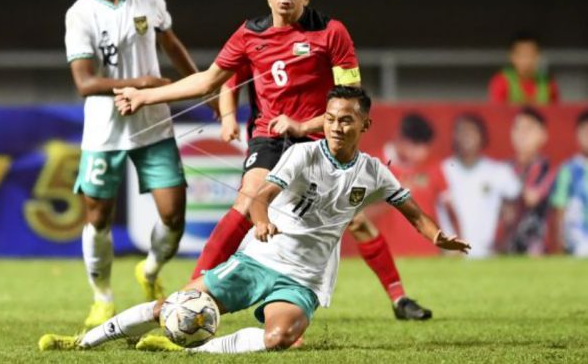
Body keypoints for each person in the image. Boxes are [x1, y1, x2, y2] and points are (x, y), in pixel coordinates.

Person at [116, 0, 432, 319]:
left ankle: (398, 298)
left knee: (356, 220)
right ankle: (191, 297)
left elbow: (352, 101)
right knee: (249, 200)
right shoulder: (250, 34)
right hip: (270, 136)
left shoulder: (332, 33)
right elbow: (209, 81)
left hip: (319, 137)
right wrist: (145, 96)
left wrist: (306, 124)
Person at [39, 87, 470, 354]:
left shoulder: (374, 171)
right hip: (258, 260)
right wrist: (261, 221)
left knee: (279, 338)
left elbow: (413, 212)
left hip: (303, 281)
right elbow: (260, 197)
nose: (337, 126)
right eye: (332, 118)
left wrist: (439, 236)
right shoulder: (302, 153)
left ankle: (190, 353)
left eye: (347, 121)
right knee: (173, 306)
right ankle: (83, 341)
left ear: (365, 124)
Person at [64, 0, 207, 328]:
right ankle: (102, 297)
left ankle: (149, 272)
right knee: (98, 218)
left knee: (174, 215)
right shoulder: (80, 14)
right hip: (104, 132)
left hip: (153, 125)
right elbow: (84, 83)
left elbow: (171, 44)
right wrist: (140, 82)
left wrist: (199, 84)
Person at [441, 114, 522, 258]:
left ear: (482, 136)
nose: (467, 136)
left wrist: (504, 243)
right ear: (454, 136)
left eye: (472, 131)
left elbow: (516, 209)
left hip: (486, 255)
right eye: (462, 131)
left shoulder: (499, 172)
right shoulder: (442, 171)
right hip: (450, 255)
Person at [378, 113, 453, 256]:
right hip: (388, 254)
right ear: (400, 138)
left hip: (429, 255)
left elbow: (448, 208)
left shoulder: (433, 166)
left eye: (425, 147)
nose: (422, 153)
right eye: (417, 146)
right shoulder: (374, 164)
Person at [498, 107, 555, 255]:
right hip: (505, 246)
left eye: (528, 129)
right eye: (517, 128)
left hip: (536, 249)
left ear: (543, 135)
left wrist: (512, 182)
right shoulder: (503, 169)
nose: (522, 134)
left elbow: (532, 198)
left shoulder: (549, 170)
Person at [550, 109, 588, 256]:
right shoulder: (568, 170)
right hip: (578, 242)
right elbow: (560, 209)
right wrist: (559, 248)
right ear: (578, 135)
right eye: (585, 131)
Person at [488, 33, 560, 104]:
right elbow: (497, 112)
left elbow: (556, 112)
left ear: (538, 56)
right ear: (512, 56)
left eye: (531, 55)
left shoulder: (548, 82)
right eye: (522, 55)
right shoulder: (501, 81)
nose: (526, 61)